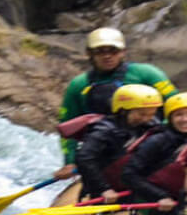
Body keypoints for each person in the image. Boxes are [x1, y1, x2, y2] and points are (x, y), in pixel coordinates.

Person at [54, 28, 175, 179]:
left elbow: (175, 107)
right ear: (89, 53)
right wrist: (70, 161)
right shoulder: (78, 85)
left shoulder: (147, 74)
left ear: (123, 52)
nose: (107, 56)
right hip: (104, 152)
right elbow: (67, 127)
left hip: (151, 146)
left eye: (113, 51)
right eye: (100, 51)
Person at [120, 92, 187, 215]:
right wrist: (160, 196)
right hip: (157, 202)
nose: (185, 119)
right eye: (179, 115)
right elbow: (129, 174)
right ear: (170, 118)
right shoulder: (157, 140)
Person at [73, 83, 164, 204]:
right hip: (107, 190)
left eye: (151, 114)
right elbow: (84, 158)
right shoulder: (104, 130)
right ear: (123, 111)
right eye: (141, 114)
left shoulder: (152, 126)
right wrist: (104, 189)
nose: (146, 119)